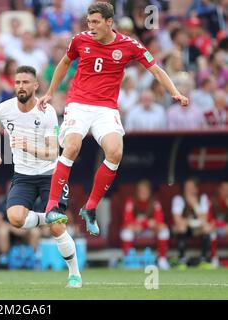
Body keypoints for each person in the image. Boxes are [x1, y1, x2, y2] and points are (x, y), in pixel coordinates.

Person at [37, 2, 189, 238]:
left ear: (110, 22)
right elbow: (64, 63)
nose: (92, 27)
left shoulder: (129, 45)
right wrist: (49, 92)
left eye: (96, 22)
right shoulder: (80, 40)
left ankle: (90, 207)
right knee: (73, 146)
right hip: (79, 103)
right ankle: (52, 205)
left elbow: (156, 69)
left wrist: (174, 92)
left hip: (106, 108)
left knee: (115, 152)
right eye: (89, 22)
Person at [0, 65, 81, 288]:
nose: (20, 86)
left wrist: (28, 147)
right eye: (17, 82)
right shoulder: (3, 109)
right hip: (23, 175)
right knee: (15, 219)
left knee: (57, 227)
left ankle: (74, 274)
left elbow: (52, 153)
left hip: (50, 174)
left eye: (25, 82)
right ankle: (45, 217)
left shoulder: (46, 111)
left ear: (36, 86)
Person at [119, 180, 170, 270]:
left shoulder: (154, 202)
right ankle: (128, 260)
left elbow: (160, 221)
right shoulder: (131, 201)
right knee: (126, 233)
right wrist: (144, 223)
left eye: (145, 190)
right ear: (137, 192)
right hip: (136, 231)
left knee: (164, 231)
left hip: (150, 231)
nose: (143, 193)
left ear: (149, 191)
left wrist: (148, 224)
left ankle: (162, 260)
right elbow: (127, 222)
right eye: (141, 190)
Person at [172, 178, 217, 269]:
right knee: (181, 227)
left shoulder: (203, 198)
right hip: (184, 229)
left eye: (191, 187)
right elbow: (177, 220)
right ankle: (182, 260)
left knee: (207, 228)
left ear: (196, 189)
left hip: (197, 229)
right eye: (186, 187)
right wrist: (191, 222)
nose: (188, 190)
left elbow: (204, 219)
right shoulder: (178, 198)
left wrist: (195, 205)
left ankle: (204, 259)